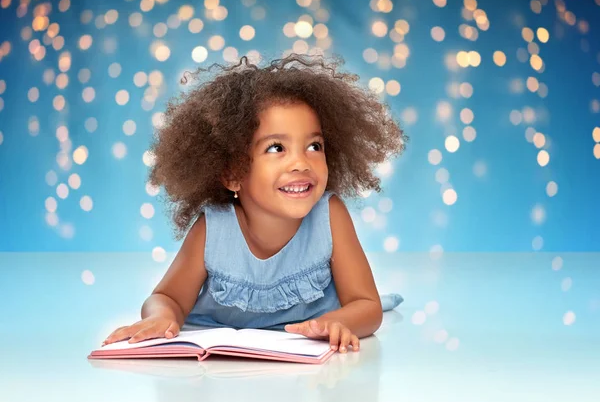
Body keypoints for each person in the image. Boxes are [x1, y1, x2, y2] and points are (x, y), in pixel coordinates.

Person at [103, 54, 407, 353]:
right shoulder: (214, 228)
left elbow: (367, 306)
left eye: (314, 146)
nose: (301, 162)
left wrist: (336, 322)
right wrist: (162, 317)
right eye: (277, 148)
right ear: (234, 173)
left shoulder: (330, 216)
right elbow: (167, 296)